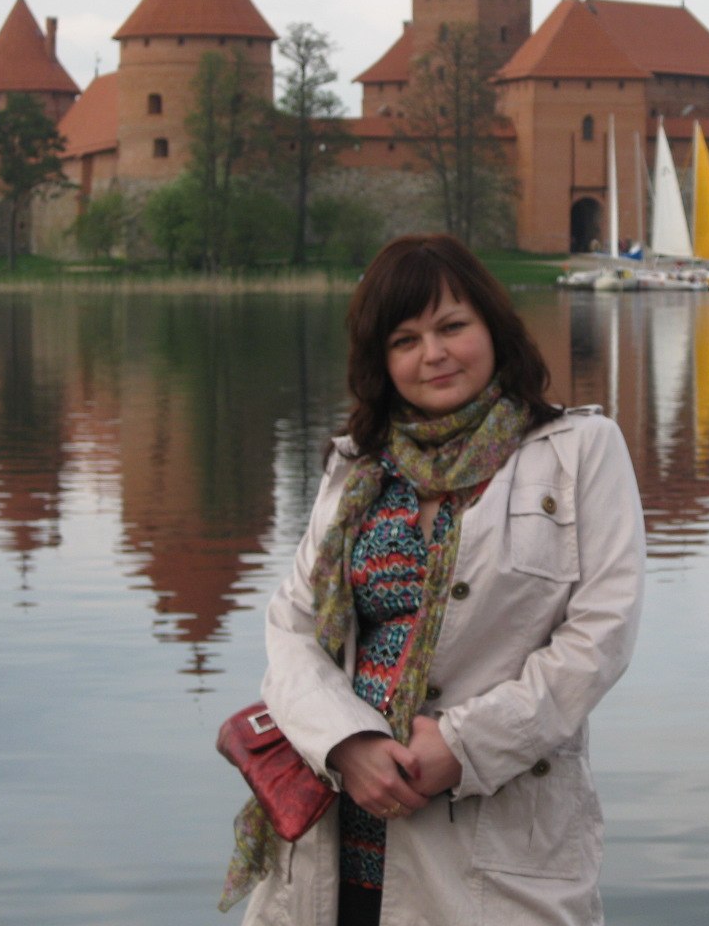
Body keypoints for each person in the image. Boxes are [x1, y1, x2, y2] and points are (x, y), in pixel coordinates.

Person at [221, 234, 646, 925]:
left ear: (493, 328)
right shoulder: (358, 469)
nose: (434, 354)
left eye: (452, 327)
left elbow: (601, 637)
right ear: (381, 361)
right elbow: (293, 630)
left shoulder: (578, 452)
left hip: (490, 850)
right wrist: (347, 744)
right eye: (406, 340)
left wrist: (465, 746)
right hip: (334, 841)